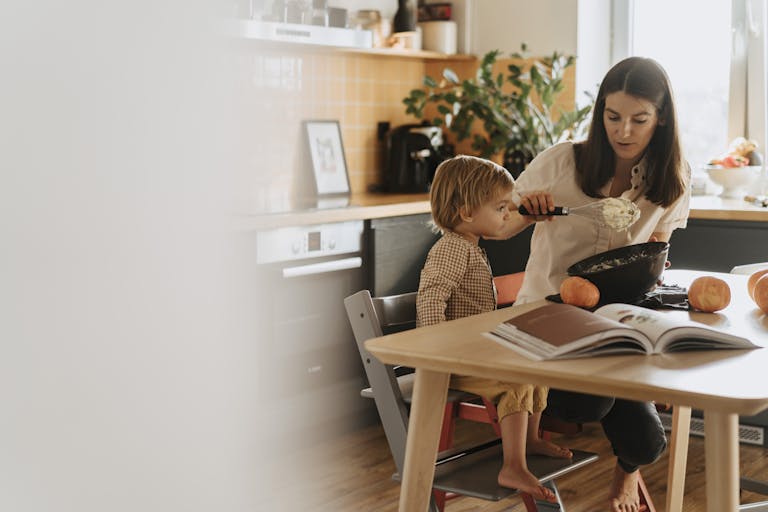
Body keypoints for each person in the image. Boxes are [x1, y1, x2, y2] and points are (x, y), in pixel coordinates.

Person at [514, 57, 691, 512]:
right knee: (586, 407)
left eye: (639, 119)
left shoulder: (672, 178)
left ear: (662, 116)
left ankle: (624, 478)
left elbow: (654, 255)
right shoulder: (561, 162)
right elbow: (498, 223)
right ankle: (623, 386)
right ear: (600, 114)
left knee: (650, 444)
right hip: (547, 318)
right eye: (613, 117)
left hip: (614, 322)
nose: (624, 132)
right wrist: (523, 211)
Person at [416, 154, 569, 503]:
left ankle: (528, 441)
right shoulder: (453, 250)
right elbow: (429, 298)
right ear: (468, 212)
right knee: (515, 378)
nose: (506, 214)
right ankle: (513, 463)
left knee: (534, 367)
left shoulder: (469, 247)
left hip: (471, 354)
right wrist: (435, 350)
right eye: (500, 207)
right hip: (452, 361)